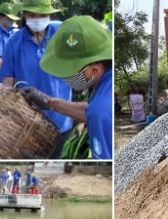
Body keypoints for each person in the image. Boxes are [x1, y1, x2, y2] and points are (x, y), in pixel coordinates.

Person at [27, 16, 113, 160]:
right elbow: (90, 111)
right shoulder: (106, 83)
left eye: (71, 72)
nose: (66, 78)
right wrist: (50, 103)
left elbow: (97, 114)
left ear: (94, 70)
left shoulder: (100, 112)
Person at [2, 0, 73, 157]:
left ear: (49, 15)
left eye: (41, 15)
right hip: (29, 122)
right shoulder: (14, 42)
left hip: (61, 118)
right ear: (25, 15)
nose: (37, 19)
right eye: (32, 15)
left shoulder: (62, 33)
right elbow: (7, 83)